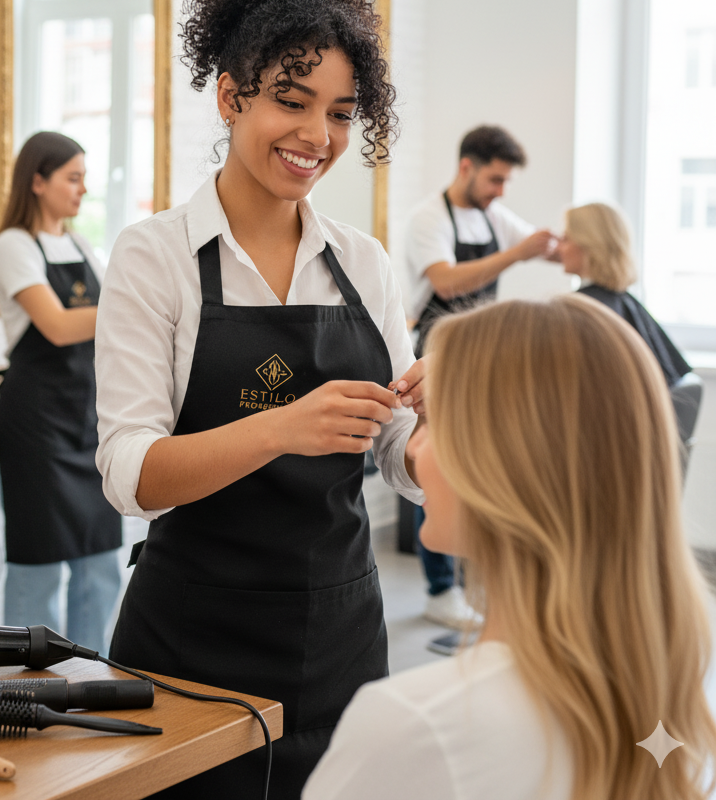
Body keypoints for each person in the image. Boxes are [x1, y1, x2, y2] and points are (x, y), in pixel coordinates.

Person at [95, 0, 424, 799]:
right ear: (230, 95)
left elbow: (397, 446)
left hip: (342, 634)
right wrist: (283, 427)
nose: (318, 137)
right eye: (291, 100)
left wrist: (441, 434)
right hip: (192, 647)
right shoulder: (154, 257)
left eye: (341, 113)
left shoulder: (364, 262)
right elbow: (131, 475)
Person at [305, 295, 716, 800]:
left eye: (437, 424)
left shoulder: (412, 726)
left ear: (507, 467)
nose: (414, 445)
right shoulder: (669, 699)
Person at [404, 125, 556, 631]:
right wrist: (518, 253)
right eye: (495, 179)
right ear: (466, 167)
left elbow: (539, 245)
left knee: (479, 467)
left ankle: (473, 582)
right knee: (437, 465)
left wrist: (574, 244)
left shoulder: (493, 214)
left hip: (479, 359)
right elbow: (446, 281)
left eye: (506, 181)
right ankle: (440, 589)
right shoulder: (428, 218)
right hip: (437, 358)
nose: (501, 191)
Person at [0, 131, 122, 656]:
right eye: (73, 178)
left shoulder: (81, 244)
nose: (83, 189)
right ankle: (26, 684)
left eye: (84, 178)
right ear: (38, 181)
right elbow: (59, 326)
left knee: (101, 564)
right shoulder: (14, 245)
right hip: (36, 427)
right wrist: (133, 306)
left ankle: (87, 674)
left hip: (86, 419)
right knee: (38, 567)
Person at [558, 202, 690, 387]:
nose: (558, 248)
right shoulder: (620, 301)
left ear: (588, 244)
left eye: (565, 239)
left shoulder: (581, 308)